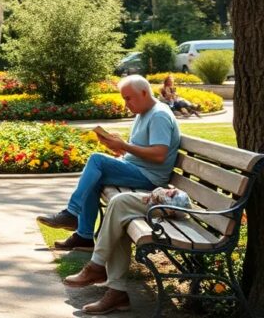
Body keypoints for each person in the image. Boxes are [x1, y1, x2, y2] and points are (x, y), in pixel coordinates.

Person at [37, 74, 181, 253]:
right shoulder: (143, 113)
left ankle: (72, 214)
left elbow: (159, 155)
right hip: (138, 169)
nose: (126, 104)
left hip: (150, 177)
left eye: (128, 98)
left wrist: (124, 145)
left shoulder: (158, 115)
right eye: (124, 99)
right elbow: (139, 150)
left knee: (97, 161)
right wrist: (119, 147)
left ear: (144, 93)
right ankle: (84, 237)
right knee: (94, 176)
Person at [63, 188, 190, 315]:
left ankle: (97, 267)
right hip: (172, 197)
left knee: (119, 202)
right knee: (119, 213)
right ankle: (116, 291)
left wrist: (168, 194)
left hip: (175, 203)